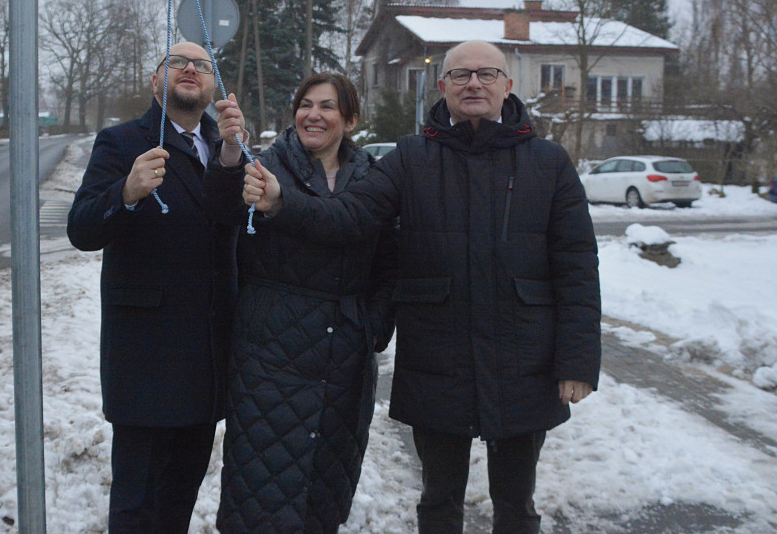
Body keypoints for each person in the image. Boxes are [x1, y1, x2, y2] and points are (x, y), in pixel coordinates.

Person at [243, 40, 601, 534]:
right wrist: (284, 201)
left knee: (517, 505)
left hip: (524, 363)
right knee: (438, 502)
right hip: (439, 362)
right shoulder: (412, 158)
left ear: (508, 86)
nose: (473, 83)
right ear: (443, 87)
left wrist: (577, 362)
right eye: (461, 75)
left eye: (486, 74)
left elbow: (577, 266)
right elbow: (351, 216)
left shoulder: (549, 162)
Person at [204, 73, 396, 534]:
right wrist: (230, 151)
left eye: (328, 106)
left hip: (345, 358)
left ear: (349, 119)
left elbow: (390, 261)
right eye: (305, 104)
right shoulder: (267, 166)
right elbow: (224, 207)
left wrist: (372, 328)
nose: (314, 114)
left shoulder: (372, 175)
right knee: (260, 495)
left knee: (327, 493)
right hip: (271, 356)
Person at [67, 40, 245, 533]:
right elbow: (81, 230)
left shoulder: (227, 145)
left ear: (213, 86)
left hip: (207, 357)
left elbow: (233, 223)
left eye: (202, 65)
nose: (190, 69)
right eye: (177, 62)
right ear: (155, 81)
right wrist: (126, 192)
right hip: (145, 359)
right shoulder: (122, 142)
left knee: (178, 498)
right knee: (136, 503)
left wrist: (233, 155)